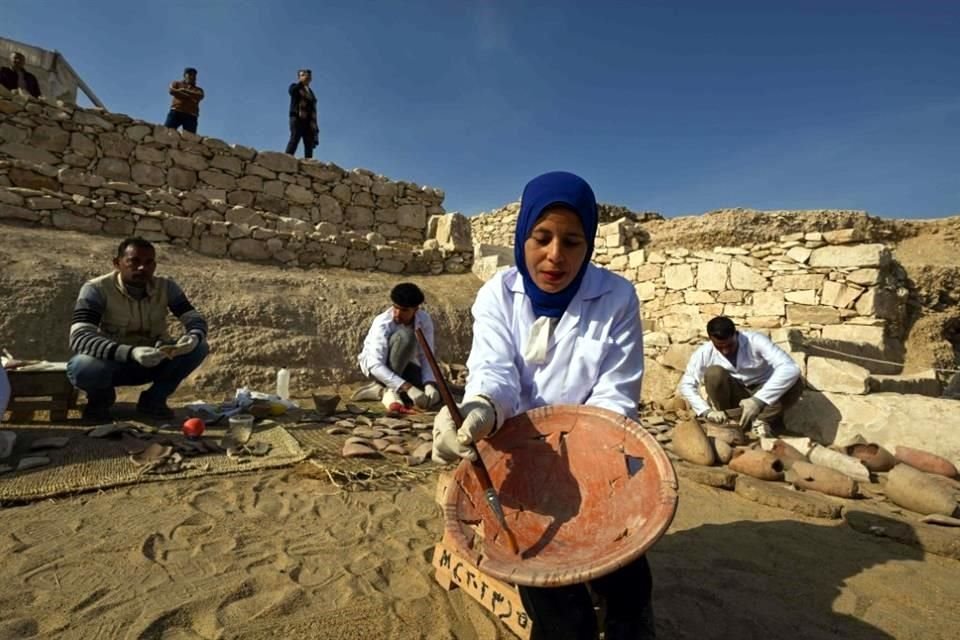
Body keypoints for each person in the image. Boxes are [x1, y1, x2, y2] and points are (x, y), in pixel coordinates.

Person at [432, 171, 652, 639]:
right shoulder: (498, 294)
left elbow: (616, 393)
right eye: (543, 237)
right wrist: (483, 410)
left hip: (597, 453)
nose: (556, 255)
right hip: (518, 451)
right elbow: (495, 372)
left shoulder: (616, 297)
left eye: (572, 241)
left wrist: (587, 471)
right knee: (559, 609)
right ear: (523, 235)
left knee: (630, 587)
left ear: (588, 244)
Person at [66, 237, 209, 421]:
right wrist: (131, 352)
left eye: (148, 263)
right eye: (134, 261)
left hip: (155, 360)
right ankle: (100, 401)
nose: (142, 268)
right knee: (82, 366)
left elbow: (194, 319)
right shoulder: (96, 289)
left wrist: (193, 337)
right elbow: (80, 337)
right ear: (117, 263)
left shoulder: (166, 287)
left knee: (200, 347)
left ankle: (153, 400)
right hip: (114, 364)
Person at [678, 316, 803, 437]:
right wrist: (707, 411)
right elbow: (687, 384)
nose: (725, 351)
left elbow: (790, 368)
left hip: (764, 393)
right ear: (711, 339)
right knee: (714, 373)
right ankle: (730, 421)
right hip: (736, 396)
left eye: (729, 345)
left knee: (794, 382)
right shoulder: (704, 352)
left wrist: (757, 401)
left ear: (736, 334)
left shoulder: (755, 341)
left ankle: (760, 421)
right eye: (719, 347)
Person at [354, 283, 442, 410]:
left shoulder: (424, 319)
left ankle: (381, 389)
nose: (397, 313)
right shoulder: (382, 323)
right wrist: (408, 387)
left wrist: (429, 383)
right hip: (379, 369)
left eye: (404, 310)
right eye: (395, 307)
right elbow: (375, 364)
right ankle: (386, 388)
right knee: (406, 337)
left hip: (406, 365)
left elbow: (426, 355)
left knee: (437, 391)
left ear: (415, 309)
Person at [285, 68, 318, 158]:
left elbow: (313, 110)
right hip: (297, 117)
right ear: (299, 77)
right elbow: (292, 92)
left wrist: (316, 128)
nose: (306, 77)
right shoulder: (295, 86)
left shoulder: (311, 93)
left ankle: (309, 167)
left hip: (309, 122)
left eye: (307, 75)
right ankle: (286, 159)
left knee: (309, 145)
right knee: (294, 138)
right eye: (303, 75)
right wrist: (301, 83)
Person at [164, 67, 204, 134]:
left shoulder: (199, 89)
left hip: (191, 115)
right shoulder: (176, 83)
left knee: (190, 138)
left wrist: (183, 91)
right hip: (176, 112)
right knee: (166, 132)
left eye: (194, 75)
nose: (192, 77)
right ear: (184, 75)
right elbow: (172, 91)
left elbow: (200, 95)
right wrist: (190, 96)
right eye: (190, 74)